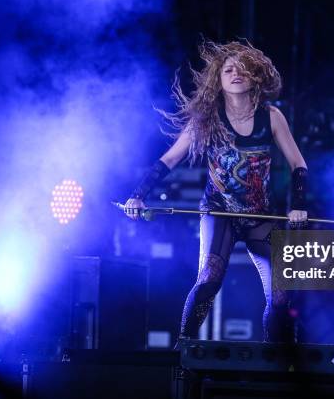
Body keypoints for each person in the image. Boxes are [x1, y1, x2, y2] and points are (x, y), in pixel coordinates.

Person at [124, 40, 308, 344]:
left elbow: (298, 164)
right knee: (208, 280)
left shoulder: (271, 117)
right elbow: (170, 158)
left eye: (243, 69)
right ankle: (185, 351)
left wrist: (298, 204)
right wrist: (138, 194)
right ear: (218, 80)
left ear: (255, 76)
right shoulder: (206, 119)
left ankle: (277, 358)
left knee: (280, 296)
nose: (236, 73)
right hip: (219, 212)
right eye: (228, 69)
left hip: (260, 216)